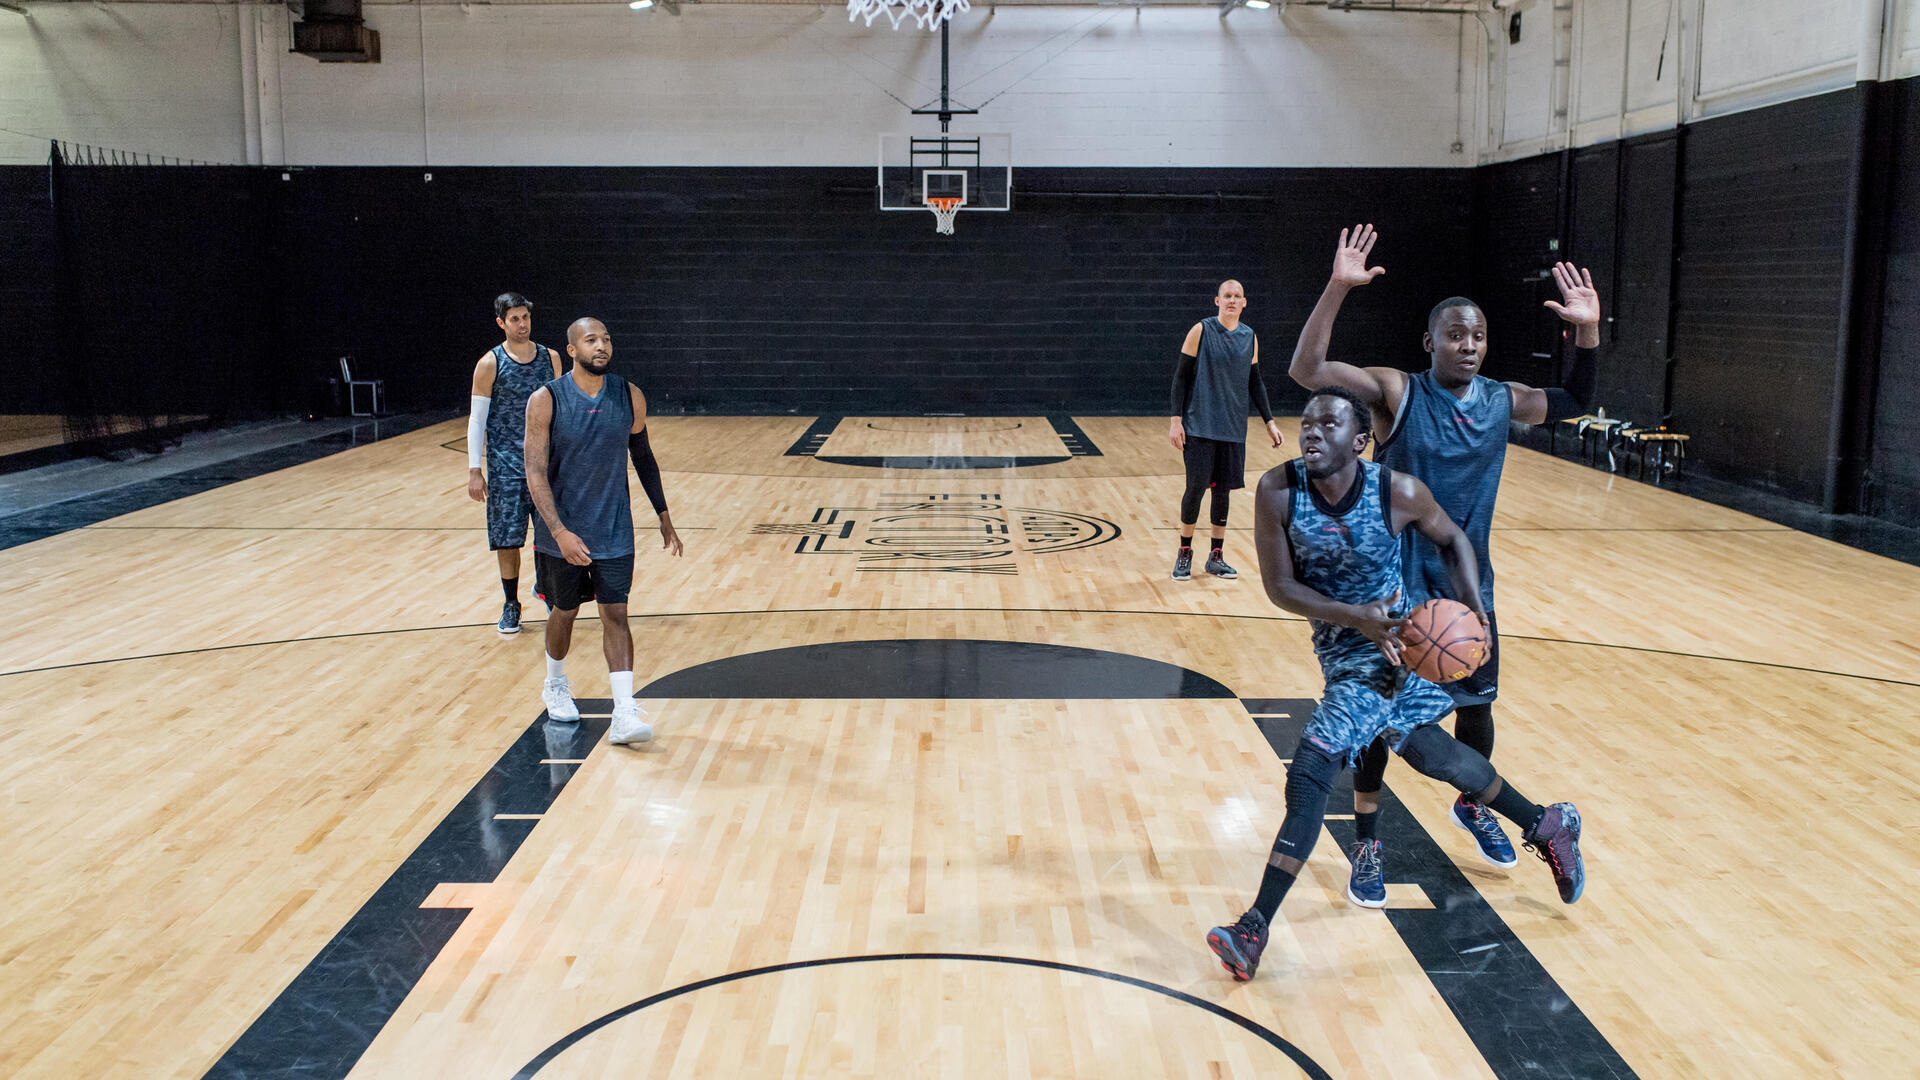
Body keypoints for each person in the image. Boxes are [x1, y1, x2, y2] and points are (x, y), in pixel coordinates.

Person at [1204, 387, 1584, 982]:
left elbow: (1454, 538)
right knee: (1433, 753)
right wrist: (1355, 616)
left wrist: (1473, 605)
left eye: (1328, 424)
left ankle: (1254, 927)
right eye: (1306, 422)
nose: (1311, 431)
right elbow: (1279, 588)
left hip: (1392, 650)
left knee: (1310, 771)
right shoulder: (1277, 490)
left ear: (1360, 442)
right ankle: (1545, 822)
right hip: (1350, 638)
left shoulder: (1397, 491)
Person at [1287, 225, 1600, 907]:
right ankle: (1368, 842)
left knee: (1477, 706)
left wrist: (1587, 333)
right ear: (1430, 343)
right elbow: (1309, 371)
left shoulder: (1500, 399)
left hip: (1466, 587)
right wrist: (1338, 288)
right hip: (1395, 591)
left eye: (1478, 336)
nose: (1468, 345)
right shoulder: (1399, 395)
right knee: (1376, 723)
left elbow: (1573, 403)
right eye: (1455, 335)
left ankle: (1474, 802)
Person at [524, 317, 684, 746]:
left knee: (616, 613)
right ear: (572, 350)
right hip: (562, 531)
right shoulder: (546, 400)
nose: (602, 347)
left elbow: (644, 456)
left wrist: (663, 513)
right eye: (591, 340)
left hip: (613, 528)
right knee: (565, 611)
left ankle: (624, 711)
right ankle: (555, 683)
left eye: (607, 339)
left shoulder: (629, 395)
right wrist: (558, 531)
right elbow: (534, 472)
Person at [1168, 280, 1285, 581]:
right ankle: (1184, 552)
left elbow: (1255, 382)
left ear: (1244, 302)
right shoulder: (1201, 330)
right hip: (1199, 426)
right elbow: (1180, 378)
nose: (1232, 300)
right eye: (1227, 296)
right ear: (1217, 301)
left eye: (1237, 296)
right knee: (1195, 489)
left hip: (1233, 428)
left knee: (1223, 492)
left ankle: (1215, 556)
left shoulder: (1250, 337)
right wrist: (1176, 420)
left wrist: (1269, 422)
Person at [467, 292, 565, 634]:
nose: (522, 324)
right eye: (515, 319)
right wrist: (474, 469)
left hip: (544, 464)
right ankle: (511, 603)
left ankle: (551, 594)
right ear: (501, 323)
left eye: (525, 317)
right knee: (507, 539)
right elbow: (477, 420)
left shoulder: (550, 358)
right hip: (505, 465)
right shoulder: (490, 363)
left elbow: (560, 412)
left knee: (551, 534)